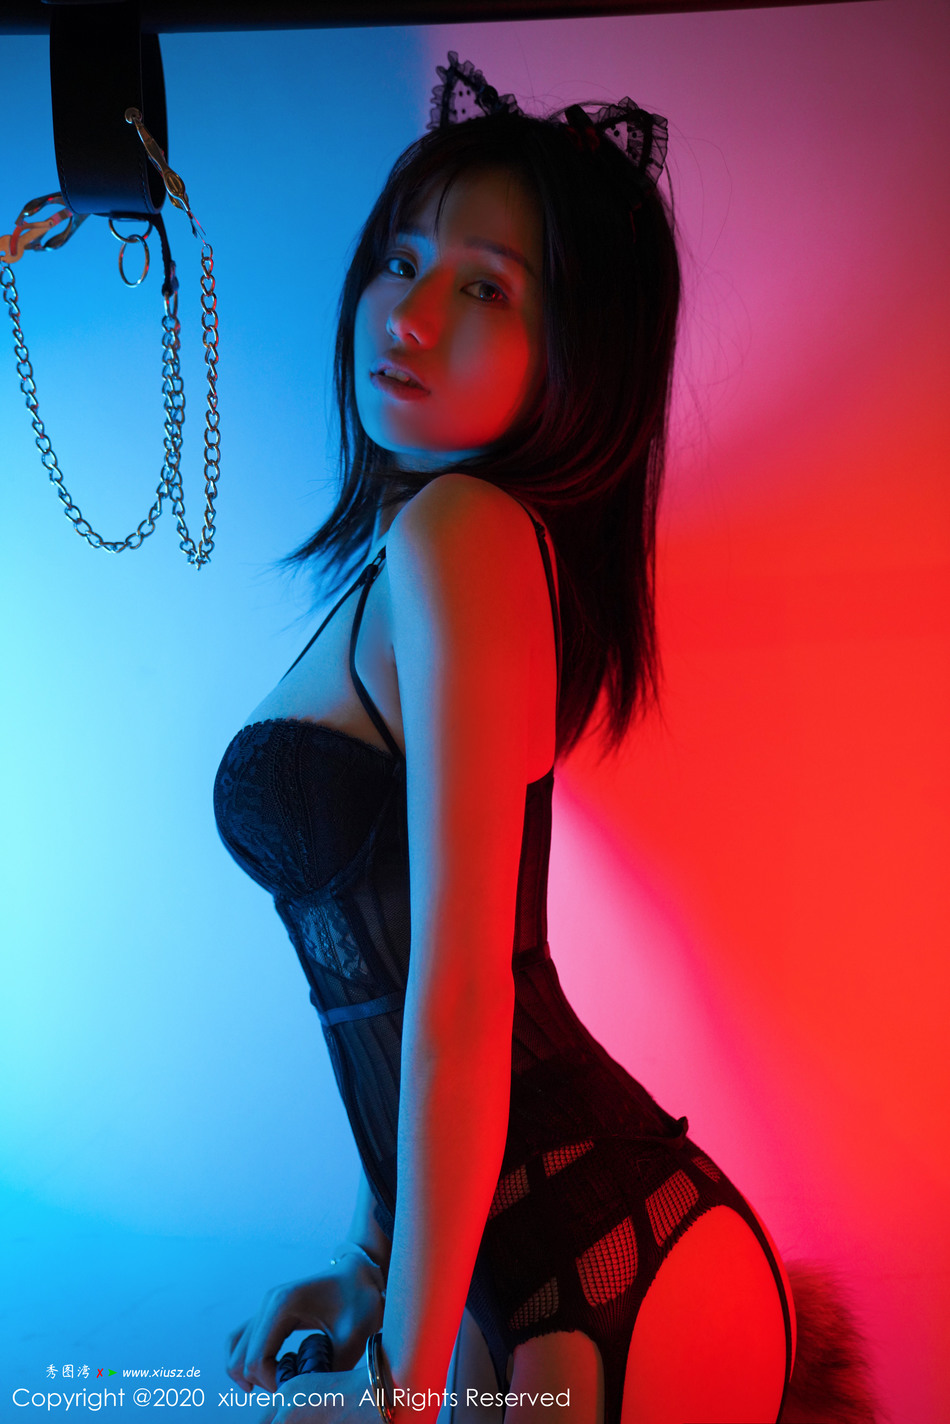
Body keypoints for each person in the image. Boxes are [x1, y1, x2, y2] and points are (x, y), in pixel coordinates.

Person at [213, 55, 797, 1424]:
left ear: (571, 357)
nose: (407, 315)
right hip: (511, 1250)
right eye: (399, 261)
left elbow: (466, 991)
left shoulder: (463, 534)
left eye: (484, 289)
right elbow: (403, 978)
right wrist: (373, 1268)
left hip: (604, 1244)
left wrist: (402, 1381)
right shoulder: (413, 555)